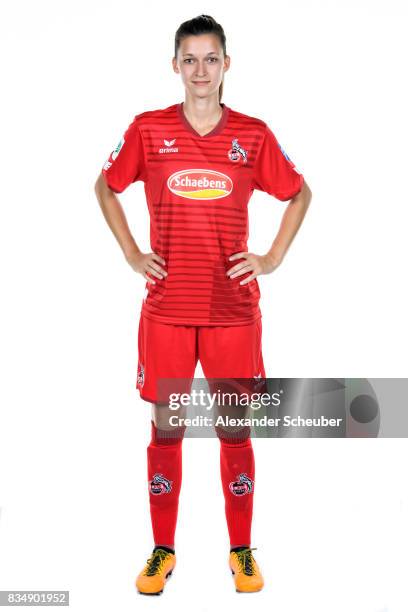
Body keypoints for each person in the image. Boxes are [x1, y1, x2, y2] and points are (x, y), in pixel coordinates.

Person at [94, 14, 312, 596]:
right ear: (175, 66)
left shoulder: (254, 136)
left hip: (233, 313)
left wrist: (270, 258)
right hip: (166, 310)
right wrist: (132, 252)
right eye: (188, 59)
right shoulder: (147, 130)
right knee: (167, 430)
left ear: (226, 65)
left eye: (209, 59)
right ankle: (162, 550)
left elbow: (300, 192)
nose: (199, 70)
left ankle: (241, 551)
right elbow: (105, 186)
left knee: (235, 431)